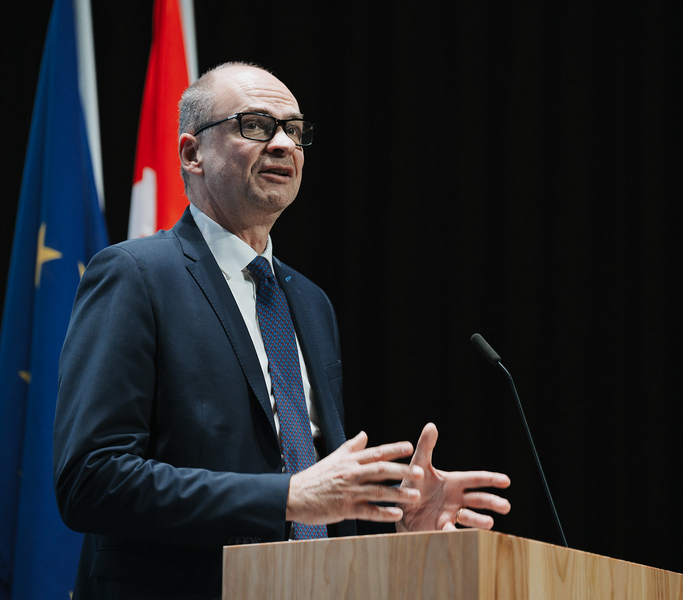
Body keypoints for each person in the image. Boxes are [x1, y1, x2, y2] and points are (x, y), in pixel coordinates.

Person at [53, 62, 511, 600]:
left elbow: (312, 501)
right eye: (255, 125)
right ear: (191, 154)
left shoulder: (311, 303)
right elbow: (92, 479)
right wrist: (286, 495)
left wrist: (397, 523)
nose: (282, 144)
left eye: (294, 131)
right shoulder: (135, 276)